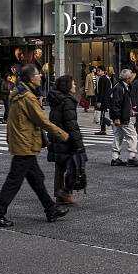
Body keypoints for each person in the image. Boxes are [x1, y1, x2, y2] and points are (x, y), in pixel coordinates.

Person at [0, 64, 70, 228]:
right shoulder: (28, 98)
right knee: (14, 182)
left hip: (23, 142)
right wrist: (63, 135)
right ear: (32, 79)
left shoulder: (19, 92)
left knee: (37, 179)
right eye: (38, 75)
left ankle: (50, 209)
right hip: (24, 144)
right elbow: (42, 121)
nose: (41, 77)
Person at [47, 74, 86, 205]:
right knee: (74, 164)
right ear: (67, 86)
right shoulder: (67, 101)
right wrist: (78, 143)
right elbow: (71, 124)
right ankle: (64, 191)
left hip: (57, 136)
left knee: (60, 165)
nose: (75, 85)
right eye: (73, 83)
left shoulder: (57, 99)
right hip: (66, 137)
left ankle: (59, 194)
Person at [110, 69, 138, 167]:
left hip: (120, 116)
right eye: (130, 77)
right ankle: (131, 157)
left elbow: (120, 103)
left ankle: (115, 158)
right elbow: (116, 103)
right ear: (127, 78)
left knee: (118, 136)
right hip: (122, 117)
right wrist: (117, 117)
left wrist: (129, 111)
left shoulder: (120, 86)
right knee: (132, 135)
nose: (131, 78)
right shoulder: (121, 88)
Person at [94, 66, 111, 135]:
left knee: (101, 115)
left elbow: (101, 91)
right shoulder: (107, 79)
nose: (97, 72)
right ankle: (103, 129)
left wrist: (99, 101)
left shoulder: (101, 79)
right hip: (106, 99)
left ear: (102, 71)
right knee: (102, 114)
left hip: (102, 99)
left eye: (99, 71)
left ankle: (109, 123)